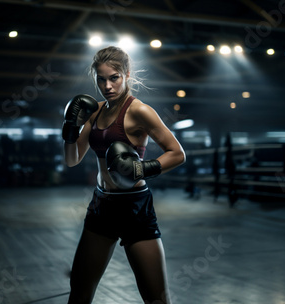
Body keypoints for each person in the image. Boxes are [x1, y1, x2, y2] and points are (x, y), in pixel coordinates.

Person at [62, 46, 185, 304]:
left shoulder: (140, 111)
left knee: (156, 298)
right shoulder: (93, 111)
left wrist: (142, 168)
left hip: (135, 207)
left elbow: (177, 153)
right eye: (101, 79)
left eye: (114, 77)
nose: (107, 85)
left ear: (126, 75)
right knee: (79, 292)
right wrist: (70, 129)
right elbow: (72, 160)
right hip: (101, 205)